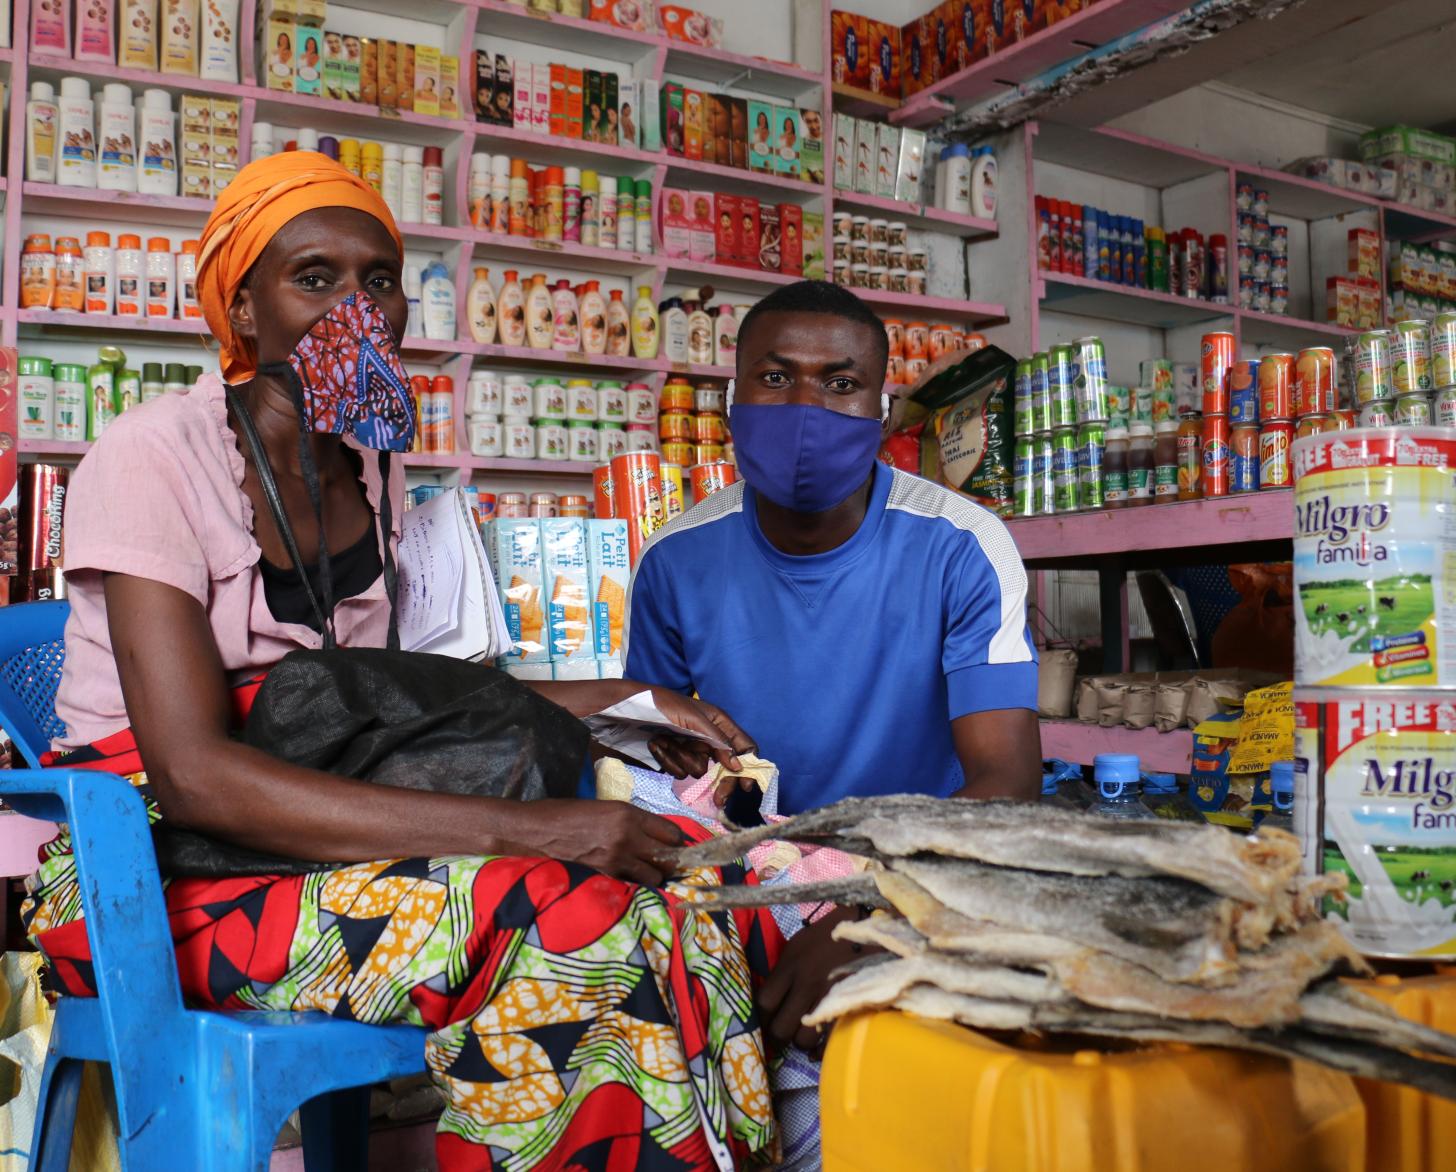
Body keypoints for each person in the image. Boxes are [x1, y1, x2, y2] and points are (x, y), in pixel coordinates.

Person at [23, 152, 783, 1171]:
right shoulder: (151, 453)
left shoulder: (370, 459)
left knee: (677, 911)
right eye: (315, 277)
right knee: (566, 910)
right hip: (143, 873)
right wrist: (533, 823)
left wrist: (621, 701)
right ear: (243, 309)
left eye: (378, 277)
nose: (357, 307)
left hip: (306, 828)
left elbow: (375, 705)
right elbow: (194, 774)